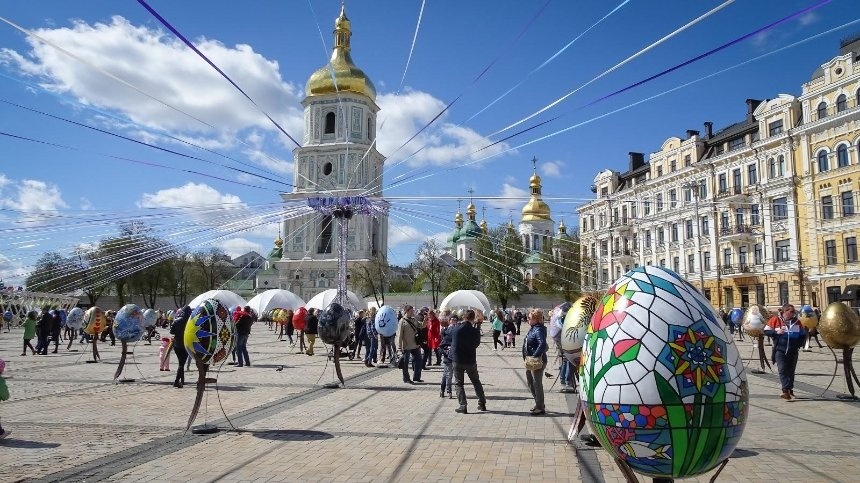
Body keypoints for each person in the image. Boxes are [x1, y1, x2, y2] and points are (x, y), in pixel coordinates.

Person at [765, 303, 807, 400]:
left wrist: (798, 345)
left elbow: (802, 335)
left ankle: (789, 390)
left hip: (793, 351)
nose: (794, 313)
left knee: (791, 372)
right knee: (782, 370)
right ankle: (785, 390)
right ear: (785, 312)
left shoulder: (797, 322)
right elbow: (766, 331)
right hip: (780, 350)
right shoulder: (775, 320)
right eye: (791, 311)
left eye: (794, 312)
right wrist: (776, 332)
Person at [450, 309, 486, 413]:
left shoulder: (456, 328)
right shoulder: (474, 330)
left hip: (457, 359)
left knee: (459, 383)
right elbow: (476, 344)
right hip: (470, 360)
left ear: (463, 317)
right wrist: (478, 325)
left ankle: (463, 405)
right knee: (476, 381)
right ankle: (482, 403)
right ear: (472, 318)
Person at [523, 308, 549, 415]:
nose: (527, 319)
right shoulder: (534, 328)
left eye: (529, 318)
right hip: (530, 361)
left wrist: (534, 356)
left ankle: (540, 406)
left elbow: (542, 344)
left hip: (537, 361)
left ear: (536, 319)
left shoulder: (538, 329)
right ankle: (539, 403)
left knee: (536, 383)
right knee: (530, 382)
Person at [396, 305, 423, 384]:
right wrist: (399, 348)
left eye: (413, 311)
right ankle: (406, 378)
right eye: (411, 311)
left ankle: (417, 377)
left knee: (419, 361)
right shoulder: (402, 321)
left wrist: (426, 318)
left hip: (415, 345)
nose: (413, 312)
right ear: (406, 311)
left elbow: (422, 325)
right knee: (405, 363)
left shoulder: (414, 319)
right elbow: (399, 336)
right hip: (406, 346)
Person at [170, 306, 192, 388]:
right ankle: (176, 381)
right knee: (182, 363)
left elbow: (172, 331)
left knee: (181, 362)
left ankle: (182, 380)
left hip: (177, 344)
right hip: (185, 344)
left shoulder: (177, 321)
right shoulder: (191, 322)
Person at [439, 314, 456, 399]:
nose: (453, 321)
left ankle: (442, 390)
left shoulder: (457, 333)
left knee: (445, 374)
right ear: (449, 321)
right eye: (452, 320)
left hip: (455, 357)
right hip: (448, 357)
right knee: (449, 374)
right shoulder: (446, 333)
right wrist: (446, 351)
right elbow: (441, 347)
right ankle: (448, 390)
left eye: (455, 320)